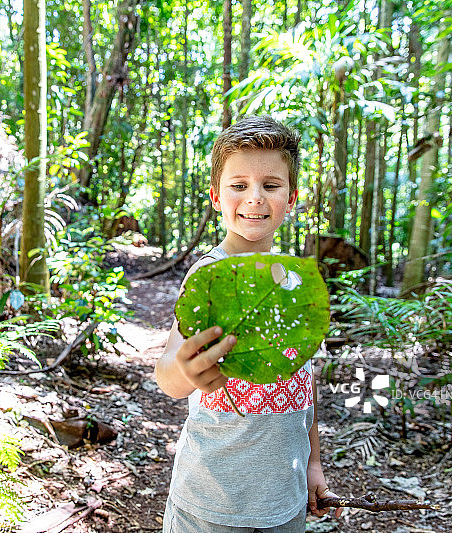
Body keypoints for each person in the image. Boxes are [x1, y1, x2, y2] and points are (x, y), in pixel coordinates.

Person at [155, 116, 342, 532]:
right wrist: (184, 371)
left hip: (285, 500)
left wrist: (313, 464)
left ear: (291, 198)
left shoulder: (297, 282)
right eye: (239, 186)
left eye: (270, 186)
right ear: (216, 197)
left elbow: (302, 382)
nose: (254, 199)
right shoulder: (210, 276)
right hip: (209, 502)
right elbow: (168, 373)